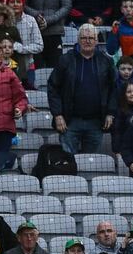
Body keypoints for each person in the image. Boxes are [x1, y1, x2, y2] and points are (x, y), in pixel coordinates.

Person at [48, 23, 117, 155]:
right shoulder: (65, 60)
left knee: (90, 164)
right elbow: (53, 87)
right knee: (68, 162)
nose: (87, 41)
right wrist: (58, 115)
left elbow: (114, 89)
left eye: (91, 38)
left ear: (97, 41)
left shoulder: (106, 61)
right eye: (84, 38)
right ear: (78, 39)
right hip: (69, 122)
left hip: (96, 122)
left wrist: (111, 113)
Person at [21, 0, 72, 70]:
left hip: (54, 32)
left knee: (55, 68)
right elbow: (23, 3)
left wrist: (48, 20)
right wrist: (36, 15)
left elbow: (66, 6)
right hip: (33, 31)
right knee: (36, 69)